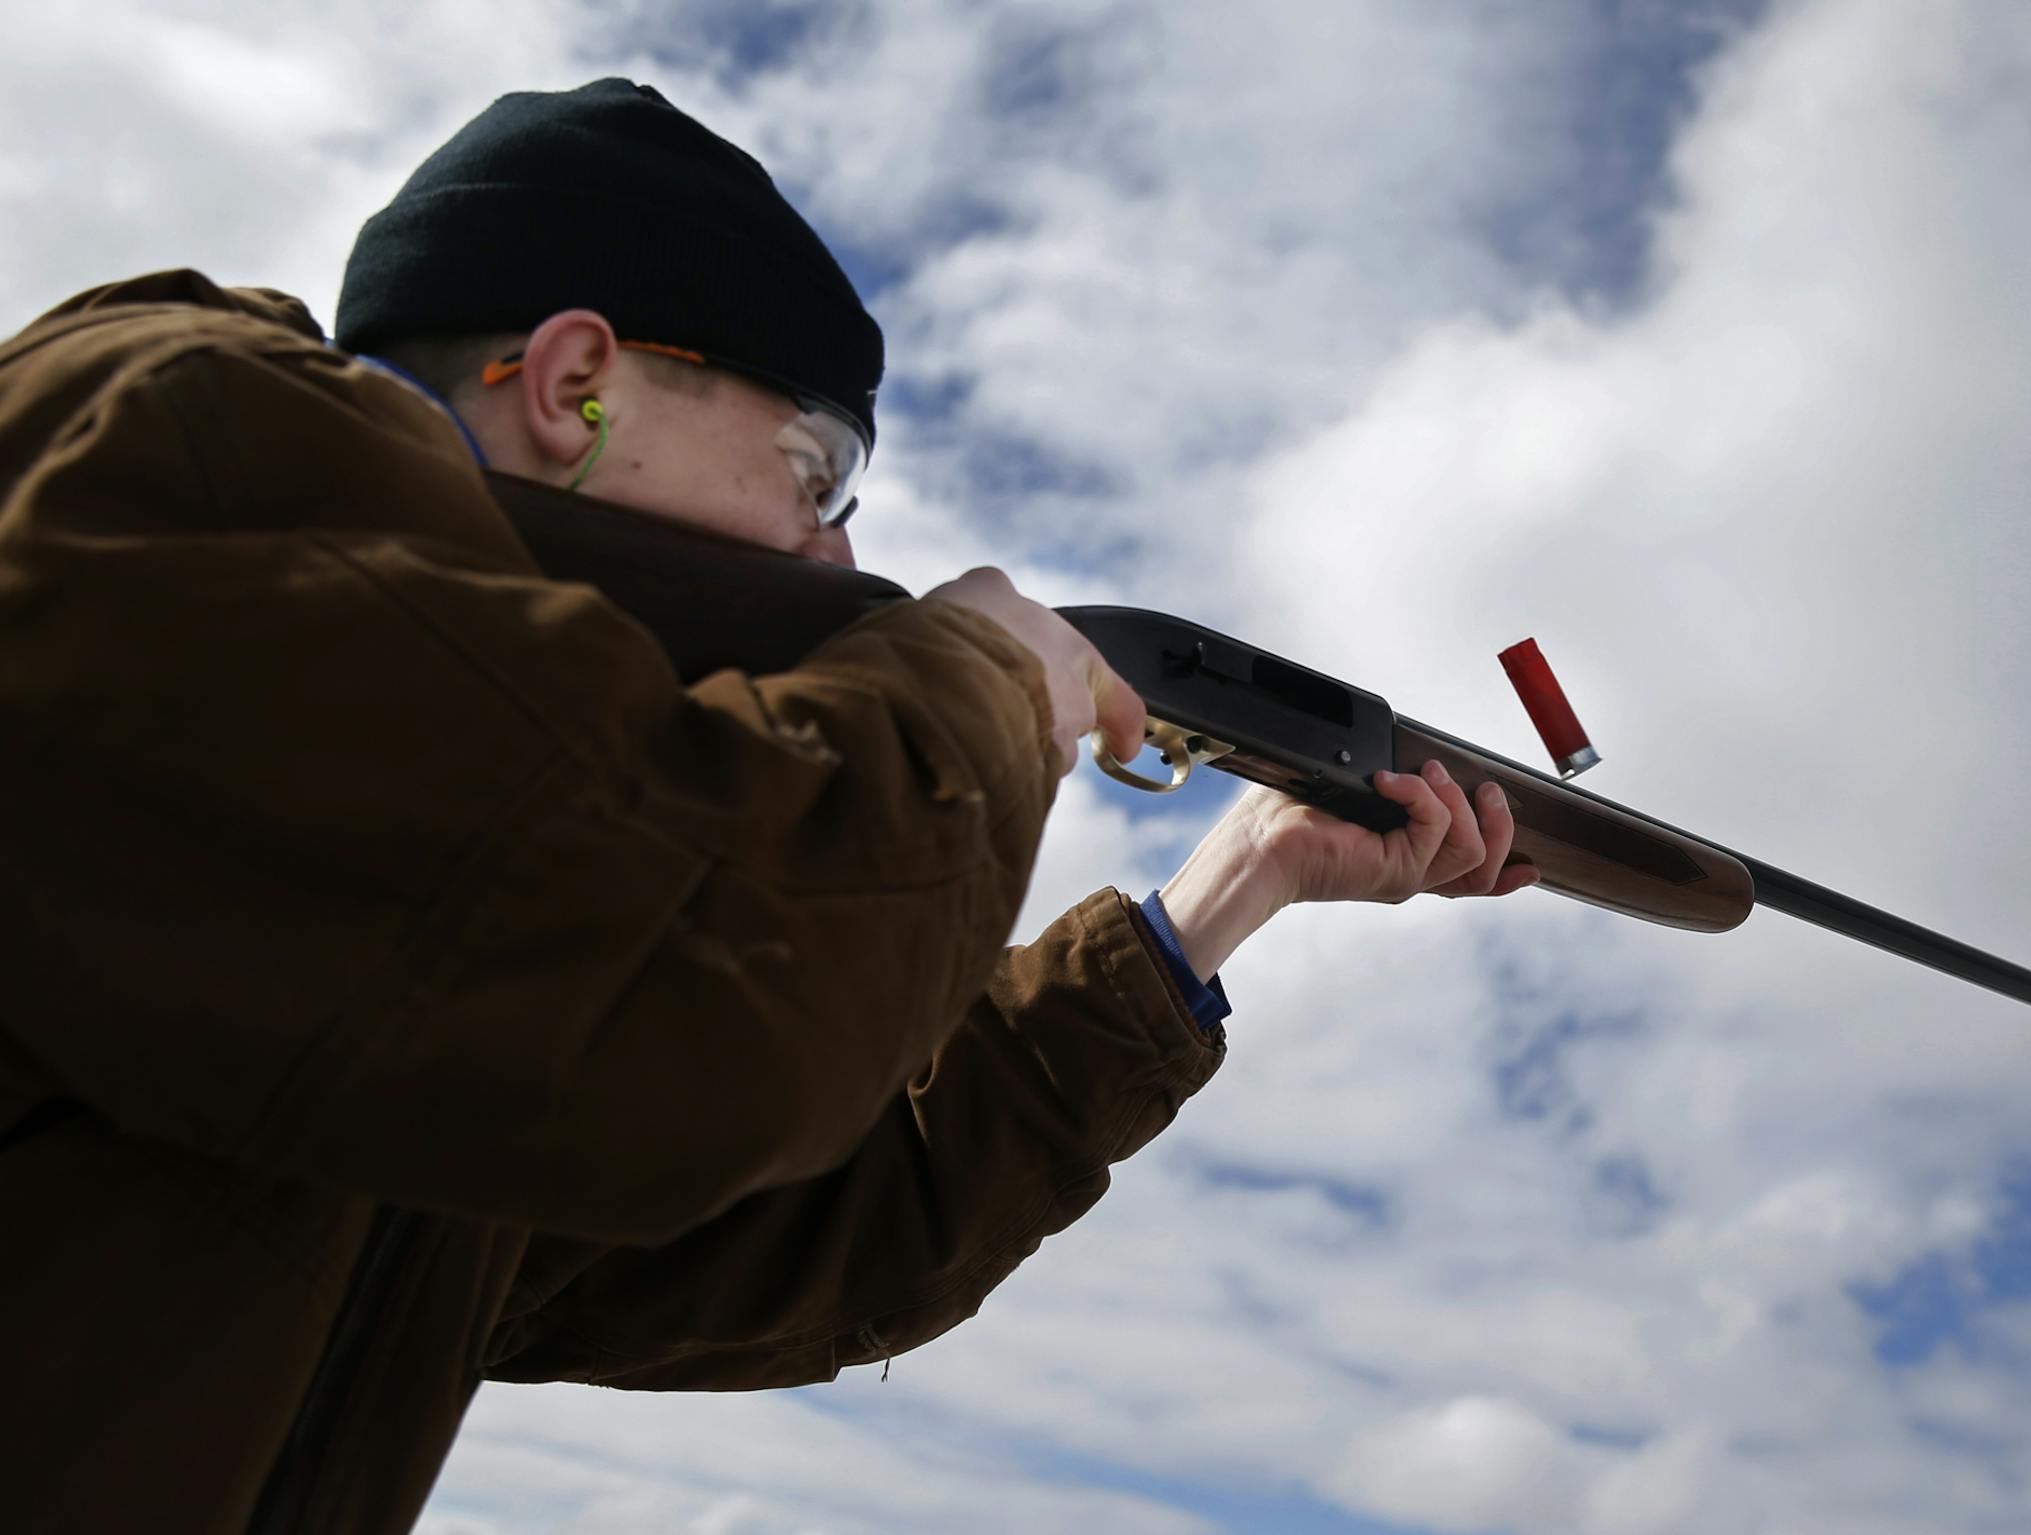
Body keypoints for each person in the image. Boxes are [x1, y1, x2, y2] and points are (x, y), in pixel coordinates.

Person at [0, 79, 1536, 1535]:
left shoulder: (438, 920)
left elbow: (788, 1214)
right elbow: (707, 1017)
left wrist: (1233, 889)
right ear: (573, 384)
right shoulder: (173, 454)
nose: (830, 556)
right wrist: (983, 686)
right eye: (815, 469)